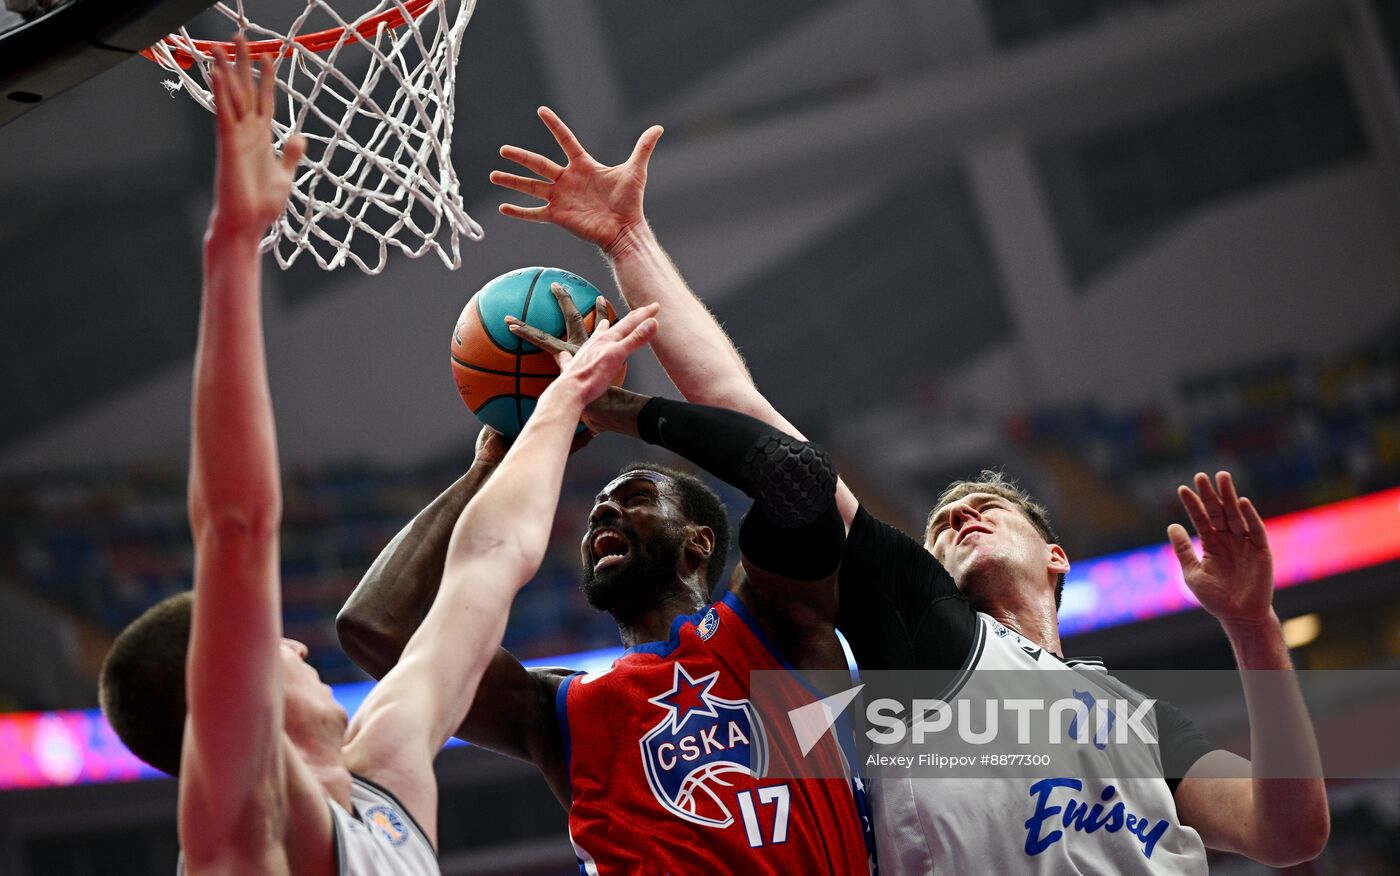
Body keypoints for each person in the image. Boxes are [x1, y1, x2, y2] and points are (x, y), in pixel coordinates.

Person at [488, 107, 1331, 871]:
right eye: (942, 520)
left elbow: (1289, 833)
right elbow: (747, 415)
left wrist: (1253, 624)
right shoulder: (922, 625)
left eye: (991, 507)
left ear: (1057, 557)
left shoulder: (1135, 719)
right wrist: (629, 243)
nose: (962, 510)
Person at [97, 42, 660, 875]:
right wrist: (232, 249)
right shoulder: (239, 834)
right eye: (262, 647)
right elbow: (237, 527)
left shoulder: (386, 778)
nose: (292, 647)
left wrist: (562, 402)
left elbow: (490, 562)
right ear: (219, 688)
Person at [337, 282, 874, 873]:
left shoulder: (774, 631)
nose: (604, 513)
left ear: (700, 541)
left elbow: (798, 480)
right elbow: (373, 627)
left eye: (637, 496)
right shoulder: (568, 710)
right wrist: (487, 468)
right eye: (597, 512)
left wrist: (612, 408)